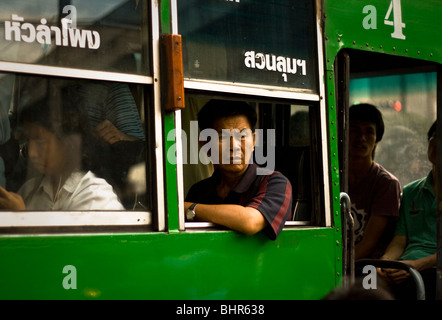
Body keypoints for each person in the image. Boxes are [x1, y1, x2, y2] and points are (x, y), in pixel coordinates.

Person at [0, 85, 124, 211]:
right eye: (29, 140)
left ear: (69, 142)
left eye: (41, 142)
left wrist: (21, 217)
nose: (32, 153)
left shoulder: (96, 197)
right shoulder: (29, 190)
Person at [184, 99, 293, 240]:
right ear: (205, 145)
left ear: (253, 141)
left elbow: (250, 221)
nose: (234, 146)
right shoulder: (199, 191)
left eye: (242, 136)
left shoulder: (274, 182)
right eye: (222, 136)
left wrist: (189, 208)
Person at [378, 121, 437, 300]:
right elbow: (399, 241)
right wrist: (384, 262)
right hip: (406, 266)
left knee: (416, 286)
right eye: (434, 137)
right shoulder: (411, 191)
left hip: (429, 269)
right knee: (368, 279)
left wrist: (416, 266)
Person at [348, 103, 401, 260]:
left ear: (377, 139)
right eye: (354, 131)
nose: (361, 138)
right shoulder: (332, 178)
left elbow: (368, 244)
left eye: (369, 132)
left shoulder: (386, 184)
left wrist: (331, 267)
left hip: (369, 267)